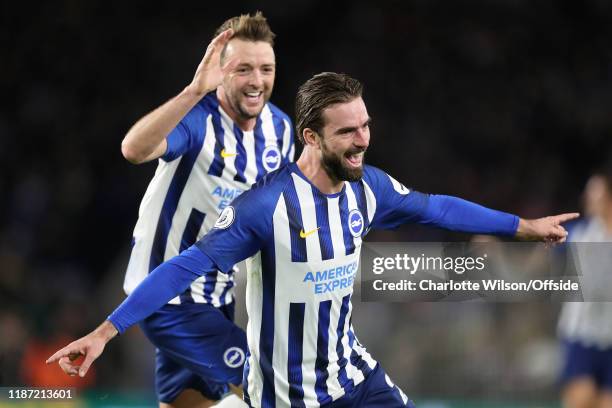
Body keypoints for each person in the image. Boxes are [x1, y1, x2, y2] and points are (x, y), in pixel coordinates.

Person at [47, 72, 578, 407]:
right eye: (347, 131)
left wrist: (523, 227)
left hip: (354, 376)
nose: (363, 140)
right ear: (310, 137)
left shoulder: (368, 187)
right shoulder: (263, 208)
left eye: (365, 126)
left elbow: (437, 208)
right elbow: (184, 268)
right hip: (287, 397)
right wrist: (105, 333)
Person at [77, 12, 292, 408]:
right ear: (221, 71)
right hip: (168, 299)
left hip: (219, 296)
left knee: (186, 403)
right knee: (276, 388)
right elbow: (134, 149)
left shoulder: (281, 130)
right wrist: (194, 91)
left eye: (266, 68)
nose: (257, 80)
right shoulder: (197, 121)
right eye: (243, 68)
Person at [557, 163, 612, 408]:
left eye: (595, 192)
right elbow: (536, 260)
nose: (588, 198)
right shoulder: (578, 233)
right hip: (581, 336)